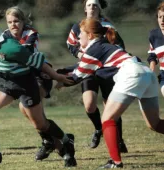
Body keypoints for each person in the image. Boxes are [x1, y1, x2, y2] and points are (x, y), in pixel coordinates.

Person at [0, 11, 77, 167]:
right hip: (6, 82)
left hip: (26, 84)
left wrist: (57, 77)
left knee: (40, 124)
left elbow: (39, 63)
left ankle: (66, 140)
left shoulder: (11, 47)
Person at [62, 18, 164, 169]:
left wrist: (54, 76)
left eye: (80, 34)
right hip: (145, 72)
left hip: (132, 74)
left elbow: (76, 77)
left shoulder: (94, 48)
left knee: (107, 119)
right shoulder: (103, 46)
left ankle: (115, 162)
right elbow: (79, 68)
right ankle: (115, 161)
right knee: (154, 124)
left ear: (90, 35)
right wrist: (56, 73)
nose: (77, 38)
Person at [3, 6, 72, 161]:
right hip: (24, 76)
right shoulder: (5, 36)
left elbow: (23, 52)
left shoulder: (31, 33)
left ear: (22, 21)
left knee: (26, 107)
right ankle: (50, 141)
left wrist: (5, 54)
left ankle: (57, 141)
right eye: (10, 22)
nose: (13, 25)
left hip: (41, 74)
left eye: (16, 21)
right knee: (34, 115)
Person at [65, 0, 127, 151]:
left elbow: (119, 47)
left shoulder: (108, 27)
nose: (92, 7)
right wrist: (80, 53)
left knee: (111, 107)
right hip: (88, 69)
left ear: (99, 8)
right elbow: (70, 44)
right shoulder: (77, 26)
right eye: (89, 5)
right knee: (89, 104)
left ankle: (118, 140)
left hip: (106, 71)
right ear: (84, 8)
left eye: (95, 5)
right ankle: (99, 129)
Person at [148, 2, 164, 96]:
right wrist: (151, 71)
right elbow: (153, 55)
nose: (162, 20)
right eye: (160, 17)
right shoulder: (154, 35)